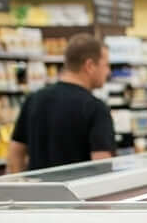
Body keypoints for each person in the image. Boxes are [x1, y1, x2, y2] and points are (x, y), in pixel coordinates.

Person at [8, 34, 114, 172]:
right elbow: (102, 165)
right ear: (89, 66)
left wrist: (20, 189)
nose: (108, 72)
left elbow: (15, 153)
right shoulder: (95, 108)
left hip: (39, 191)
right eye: (106, 65)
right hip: (78, 192)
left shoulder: (34, 99)